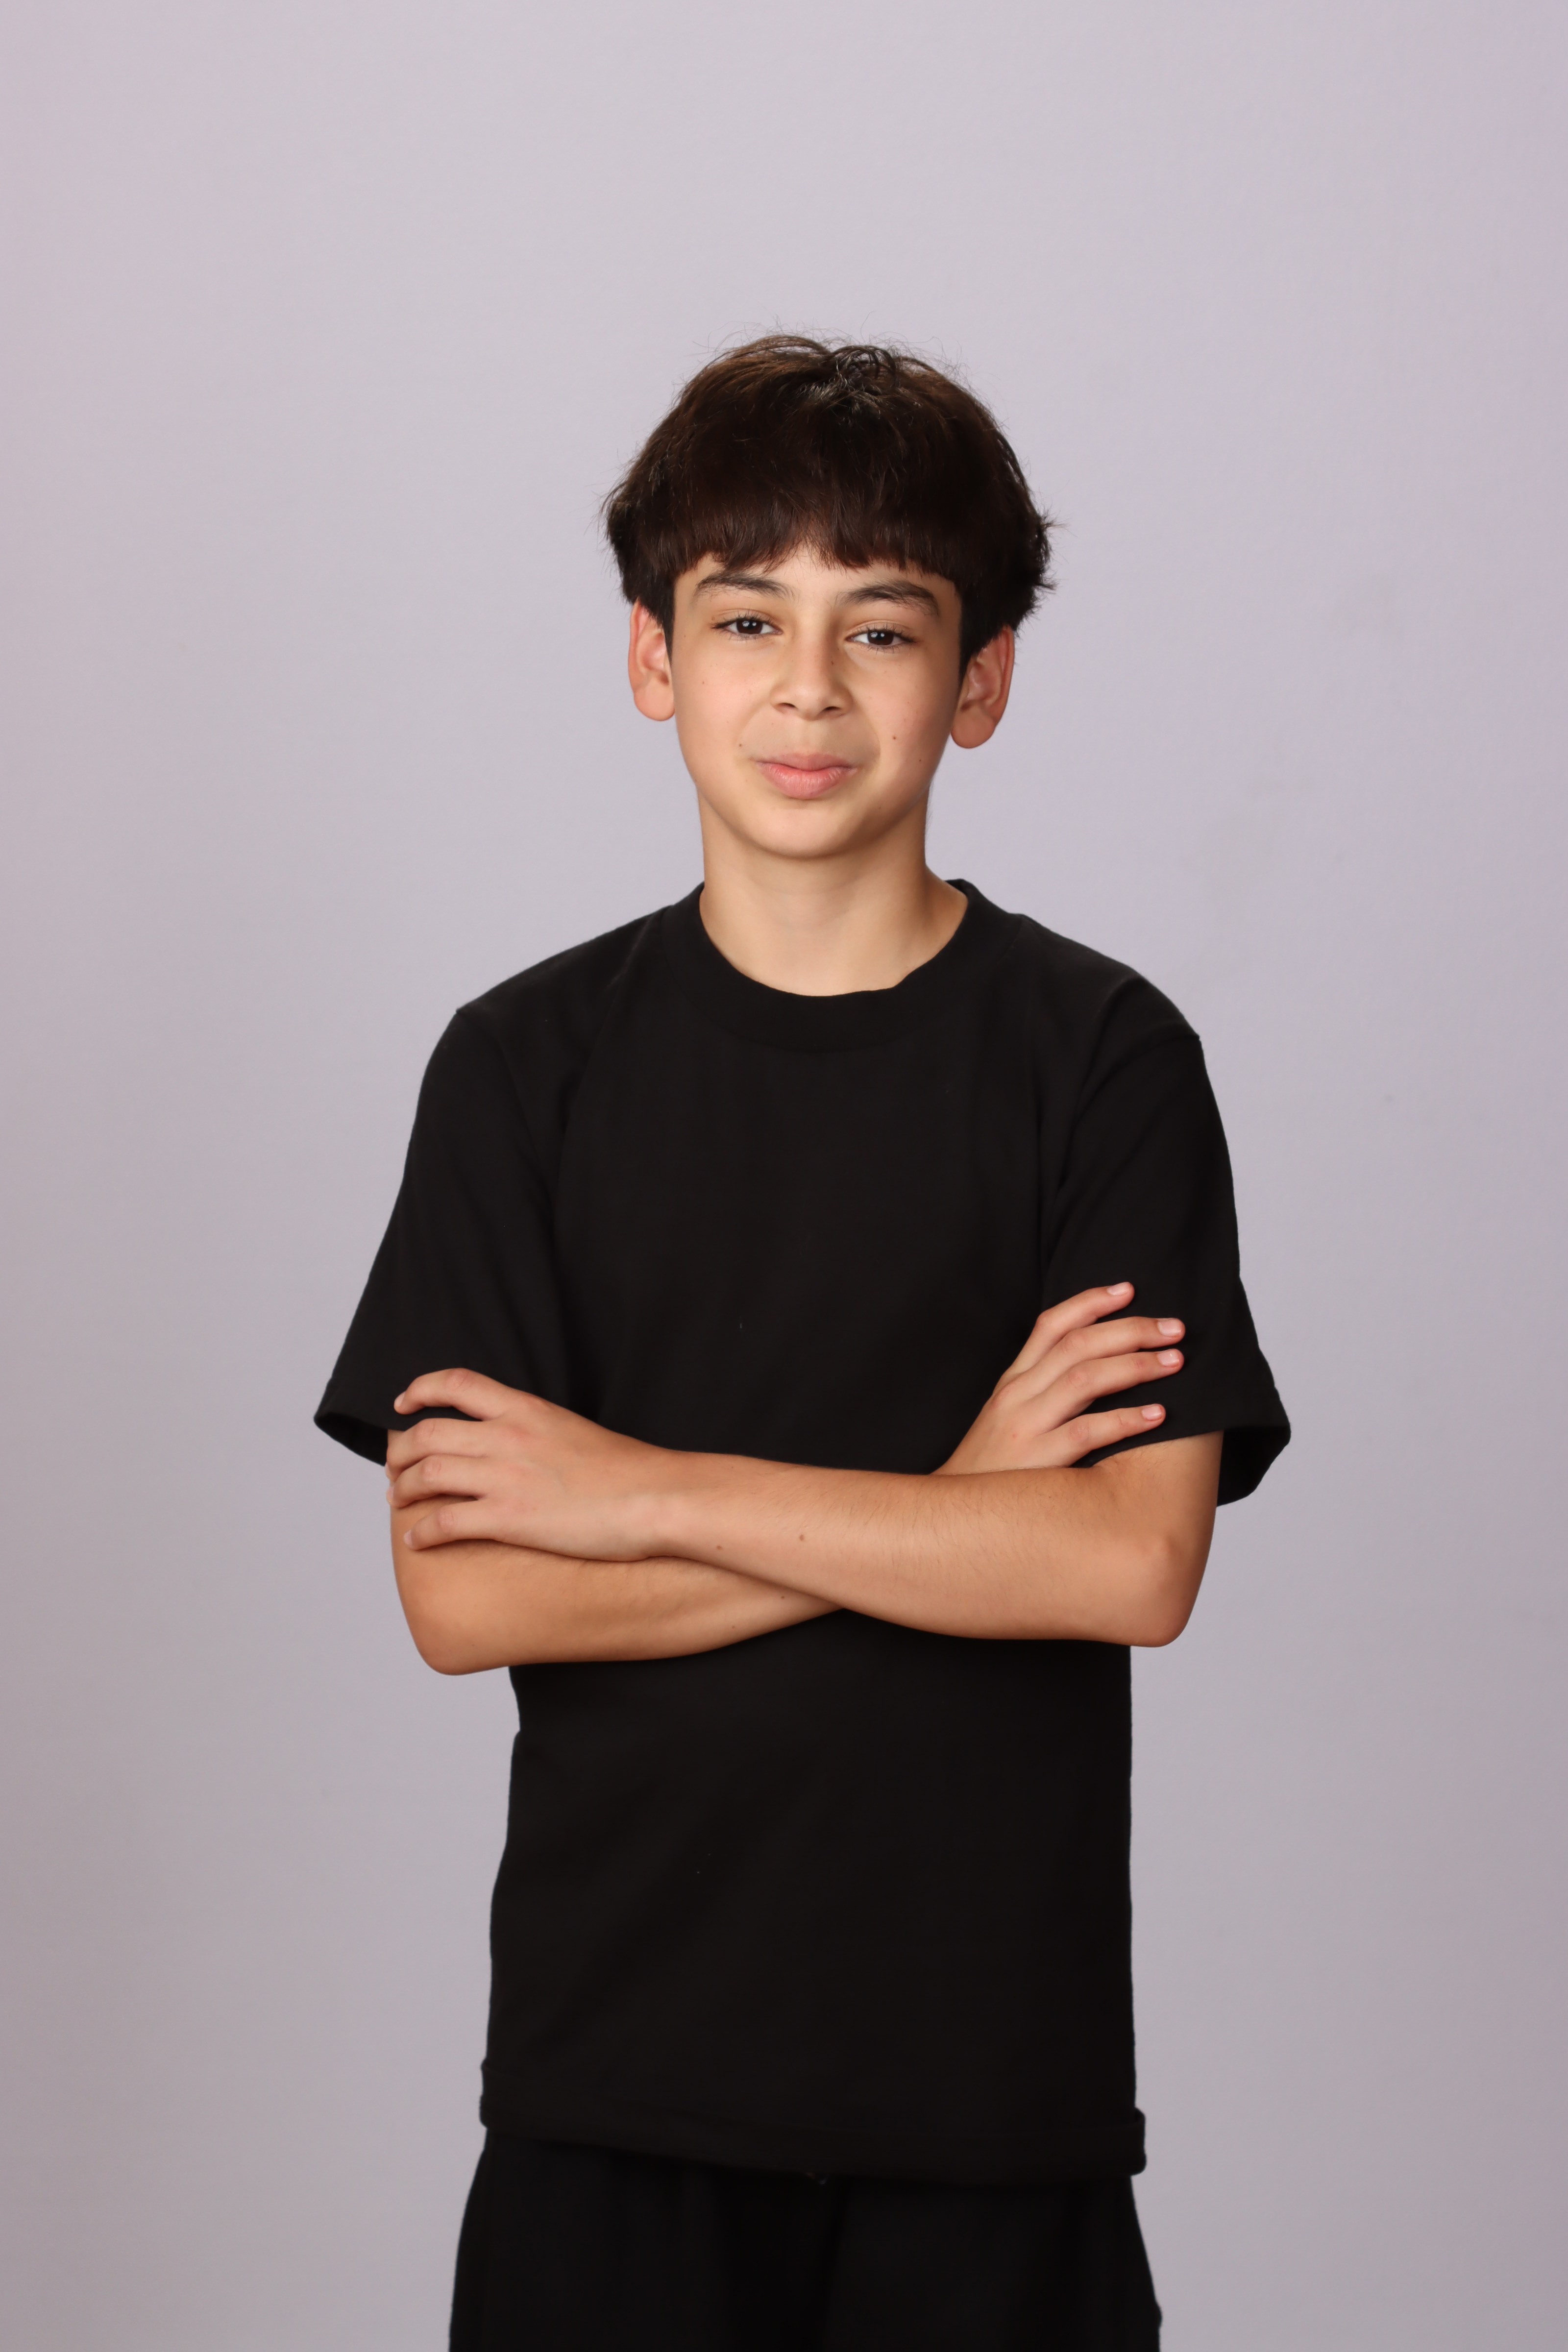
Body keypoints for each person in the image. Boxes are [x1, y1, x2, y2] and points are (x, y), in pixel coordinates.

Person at [316, 336, 1289, 2350]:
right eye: (748, 617)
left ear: (981, 680)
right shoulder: (523, 1072)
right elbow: (467, 1596)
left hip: (991, 2098)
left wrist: (637, 1495)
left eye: (885, 628)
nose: (811, 687)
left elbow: (1128, 1563)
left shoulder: (1102, 1062)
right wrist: (954, 1508)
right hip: (616, 2088)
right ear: (654, 660)